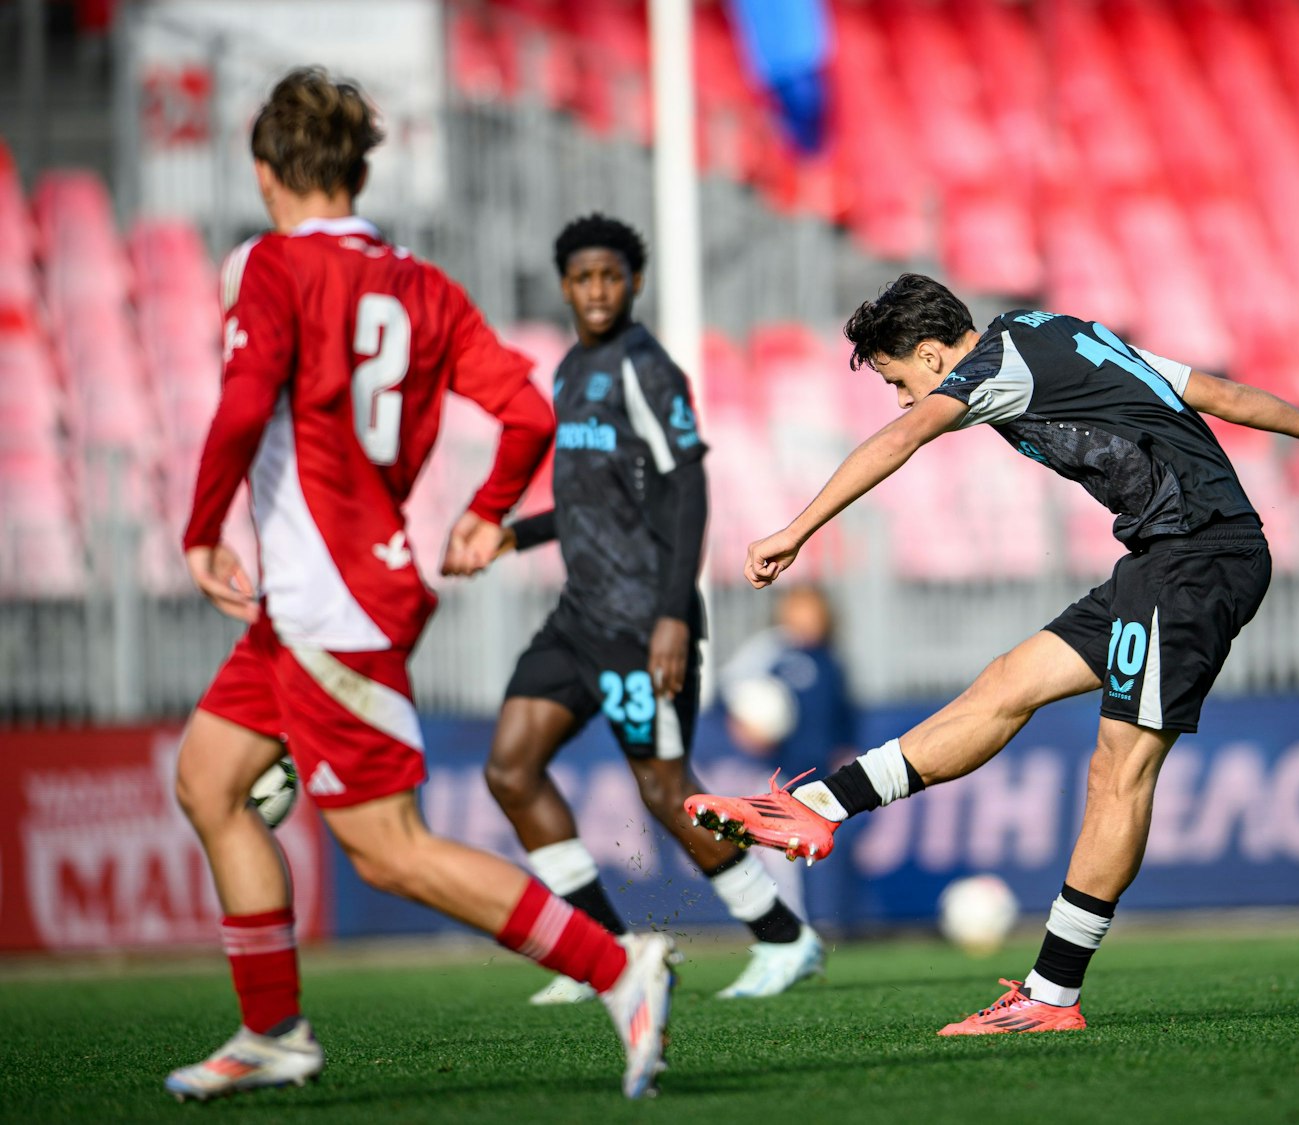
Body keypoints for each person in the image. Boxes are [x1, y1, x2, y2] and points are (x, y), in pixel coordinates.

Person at [686, 274, 1299, 1034]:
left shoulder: (989, 366)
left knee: (1119, 769)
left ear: (930, 354)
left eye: (899, 381)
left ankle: (1050, 997)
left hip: (1195, 558)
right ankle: (818, 806)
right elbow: (1207, 390)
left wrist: (797, 528)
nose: (902, 399)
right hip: (1162, 557)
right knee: (1006, 685)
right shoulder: (1056, 329)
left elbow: (903, 439)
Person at [168, 69, 670, 1102]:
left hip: (327, 598)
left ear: (265, 173)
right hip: (331, 590)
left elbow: (241, 402)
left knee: (391, 852)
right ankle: (272, 1034)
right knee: (210, 782)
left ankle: (618, 968)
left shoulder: (266, 265)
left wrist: (200, 524)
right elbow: (527, 414)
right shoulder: (422, 286)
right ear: (356, 171)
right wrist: (485, 509)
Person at [485, 214, 822, 1004]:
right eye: (583, 277)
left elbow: (686, 487)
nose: (598, 290)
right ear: (565, 285)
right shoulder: (570, 369)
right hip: (577, 616)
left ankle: (784, 934)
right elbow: (587, 502)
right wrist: (515, 536)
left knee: (667, 790)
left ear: (632, 283)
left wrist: (674, 612)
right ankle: (602, 948)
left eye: (612, 276)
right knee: (510, 767)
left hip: (643, 619)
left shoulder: (646, 366)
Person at [717, 584, 861, 925]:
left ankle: (835, 921)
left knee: (828, 854)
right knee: (779, 856)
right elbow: (730, 690)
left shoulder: (831, 663)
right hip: (779, 775)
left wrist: (847, 753)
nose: (806, 621)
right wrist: (743, 724)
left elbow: (845, 717)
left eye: (812, 613)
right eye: (798, 612)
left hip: (824, 776)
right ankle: (789, 925)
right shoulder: (772, 653)